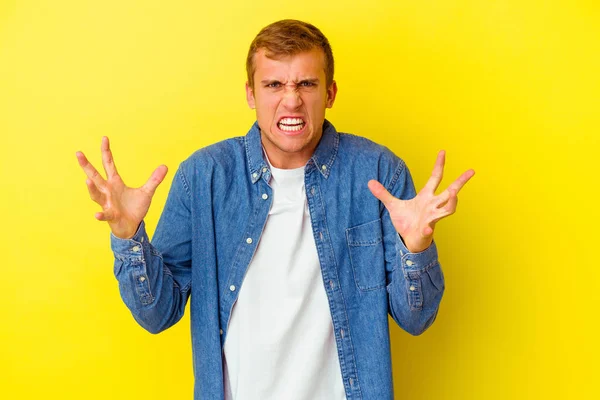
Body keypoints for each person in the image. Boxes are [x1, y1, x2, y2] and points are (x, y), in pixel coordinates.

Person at [76, 19, 474, 400]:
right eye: (273, 84)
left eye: (306, 83)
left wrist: (417, 247)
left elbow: (416, 320)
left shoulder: (377, 172)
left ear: (330, 93)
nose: (291, 99)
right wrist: (128, 237)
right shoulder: (204, 177)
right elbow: (157, 314)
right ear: (251, 94)